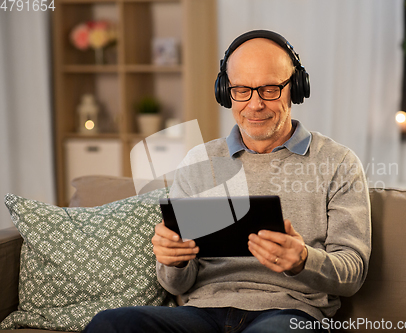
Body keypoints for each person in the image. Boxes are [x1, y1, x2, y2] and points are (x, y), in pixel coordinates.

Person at [83, 30, 371, 333]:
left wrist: (303, 260)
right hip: (202, 313)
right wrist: (174, 261)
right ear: (225, 91)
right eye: (242, 90)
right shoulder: (200, 161)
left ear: (296, 88)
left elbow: (353, 273)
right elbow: (174, 283)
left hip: (291, 313)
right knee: (110, 324)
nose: (255, 104)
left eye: (270, 89)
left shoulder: (338, 162)